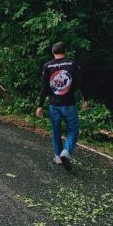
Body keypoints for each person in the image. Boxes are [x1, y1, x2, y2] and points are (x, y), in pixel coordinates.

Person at [36, 41, 89, 170]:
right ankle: (66, 151)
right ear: (65, 51)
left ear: (53, 52)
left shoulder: (47, 66)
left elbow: (44, 88)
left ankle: (58, 157)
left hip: (54, 105)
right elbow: (81, 83)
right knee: (74, 130)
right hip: (69, 104)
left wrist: (40, 105)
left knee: (56, 131)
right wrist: (85, 99)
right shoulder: (72, 63)